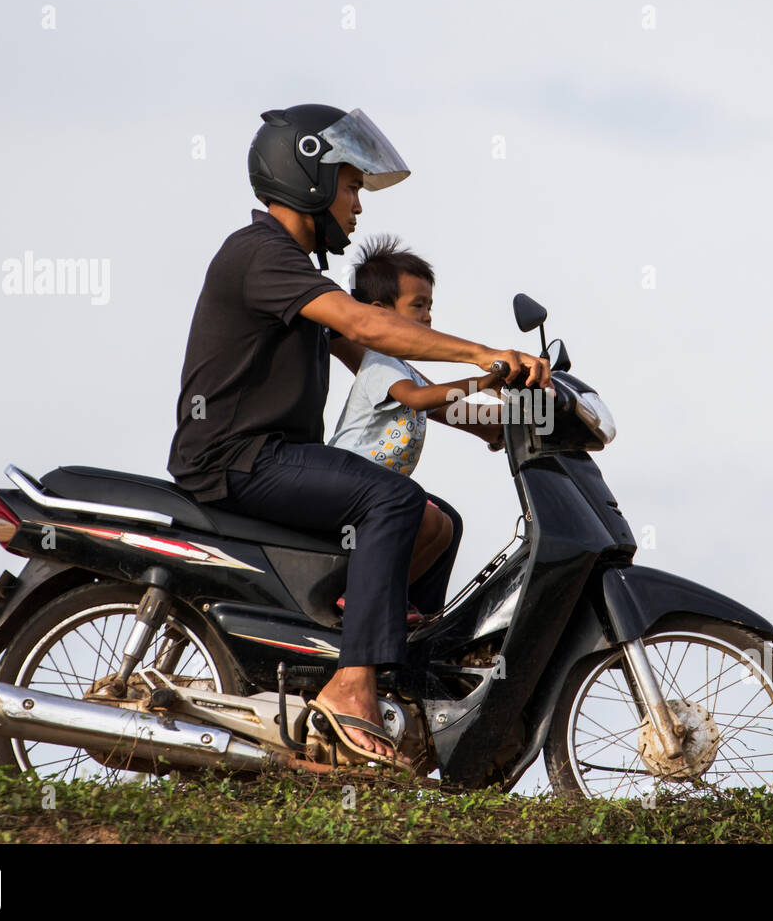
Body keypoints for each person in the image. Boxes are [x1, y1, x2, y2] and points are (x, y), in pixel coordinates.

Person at [166, 104, 550, 766]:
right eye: (349, 186)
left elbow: (385, 372)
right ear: (306, 179)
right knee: (393, 502)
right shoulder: (258, 255)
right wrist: (484, 356)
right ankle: (352, 685)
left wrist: (496, 420)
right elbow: (372, 328)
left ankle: (401, 675)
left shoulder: (293, 275)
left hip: (276, 458)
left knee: (438, 517)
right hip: (235, 458)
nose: (357, 206)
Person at [327, 234, 508, 627]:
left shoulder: (401, 364)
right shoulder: (380, 361)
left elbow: (434, 399)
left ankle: (393, 601)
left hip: (380, 489)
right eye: (418, 306)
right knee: (426, 518)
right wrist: (482, 382)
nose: (428, 317)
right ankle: (362, 598)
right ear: (380, 312)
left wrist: (504, 420)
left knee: (441, 526)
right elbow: (420, 398)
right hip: (348, 480)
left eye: (430, 307)